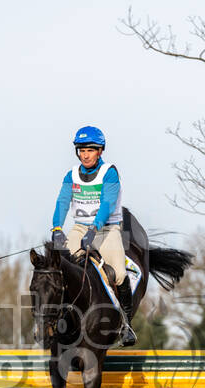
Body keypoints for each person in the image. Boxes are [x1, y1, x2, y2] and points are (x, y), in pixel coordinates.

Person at [51, 125, 137, 347]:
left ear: (100, 151)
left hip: (106, 229)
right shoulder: (71, 175)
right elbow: (62, 201)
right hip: (80, 228)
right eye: (81, 150)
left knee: (118, 273)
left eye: (90, 150)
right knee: (61, 269)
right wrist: (57, 228)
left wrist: (95, 228)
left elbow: (107, 204)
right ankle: (59, 320)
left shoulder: (109, 172)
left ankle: (126, 325)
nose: (85, 154)